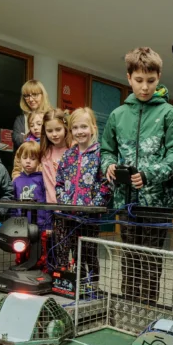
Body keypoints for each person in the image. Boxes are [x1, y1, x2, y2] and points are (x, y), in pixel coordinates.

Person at [100, 47, 173, 304]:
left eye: (151, 81)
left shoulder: (169, 114)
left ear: (159, 77)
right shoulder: (117, 115)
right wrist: (108, 165)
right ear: (129, 78)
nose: (145, 87)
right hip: (126, 201)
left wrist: (149, 175)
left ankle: (146, 310)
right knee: (128, 257)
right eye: (139, 80)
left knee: (150, 260)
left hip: (157, 204)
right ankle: (128, 306)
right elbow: (107, 149)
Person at [54, 107, 111, 279]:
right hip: (69, 215)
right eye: (76, 128)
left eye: (84, 127)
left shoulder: (100, 154)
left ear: (93, 127)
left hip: (90, 216)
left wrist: (94, 206)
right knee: (74, 252)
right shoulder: (68, 155)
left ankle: (92, 287)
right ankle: (77, 286)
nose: (80, 131)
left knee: (89, 252)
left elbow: (106, 184)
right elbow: (59, 183)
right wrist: (65, 201)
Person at [11, 141, 51, 232]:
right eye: (24, 158)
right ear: (20, 159)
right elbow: (13, 206)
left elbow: (48, 203)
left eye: (33, 159)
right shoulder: (16, 181)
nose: (28, 161)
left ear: (39, 160)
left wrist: (48, 225)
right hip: (20, 224)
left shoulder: (43, 179)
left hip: (40, 225)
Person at [39, 108, 73, 203]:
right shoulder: (46, 154)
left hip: (75, 205)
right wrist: (56, 207)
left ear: (65, 127)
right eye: (49, 131)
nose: (54, 134)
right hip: (55, 207)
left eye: (58, 129)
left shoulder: (74, 149)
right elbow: (49, 185)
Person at [12, 79, 52, 148]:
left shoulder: (52, 116)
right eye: (27, 95)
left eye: (35, 94)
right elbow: (17, 140)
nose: (30, 99)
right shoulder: (20, 119)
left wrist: (25, 137)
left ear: (43, 95)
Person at [12, 112, 44, 179]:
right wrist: (16, 179)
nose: (35, 128)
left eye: (39, 124)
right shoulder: (25, 145)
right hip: (25, 183)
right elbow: (17, 166)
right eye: (31, 125)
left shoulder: (50, 145)